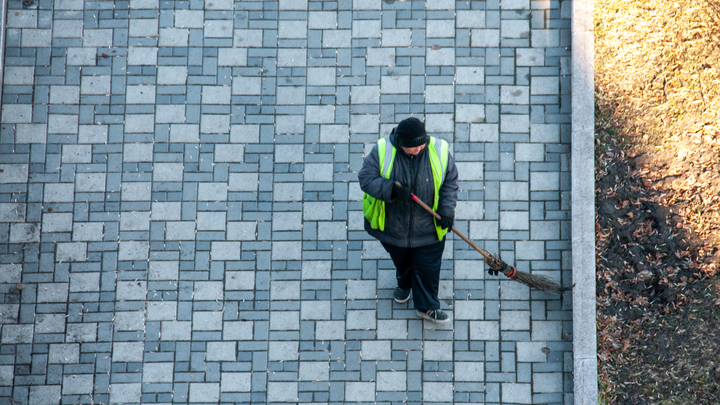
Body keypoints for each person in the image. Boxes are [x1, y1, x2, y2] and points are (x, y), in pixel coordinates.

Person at [358, 117, 459, 322]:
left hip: (429, 228)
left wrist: (447, 212)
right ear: (401, 143)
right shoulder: (382, 151)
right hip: (393, 228)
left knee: (428, 267)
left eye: (422, 144)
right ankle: (405, 283)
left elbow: (450, 182)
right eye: (413, 147)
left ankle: (427, 307)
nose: (419, 149)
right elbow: (366, 178)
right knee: (403, 263)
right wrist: (391, 189)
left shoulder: (438, 150)